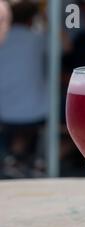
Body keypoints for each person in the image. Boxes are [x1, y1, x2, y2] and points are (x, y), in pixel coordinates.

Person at [0, 1, 48, 178]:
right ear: (31, 19)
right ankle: (25, 158)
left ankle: (15, 156)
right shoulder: (38, 39)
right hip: (35, 111)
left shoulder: (4, 39)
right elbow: (65, 47)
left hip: (5, 110)